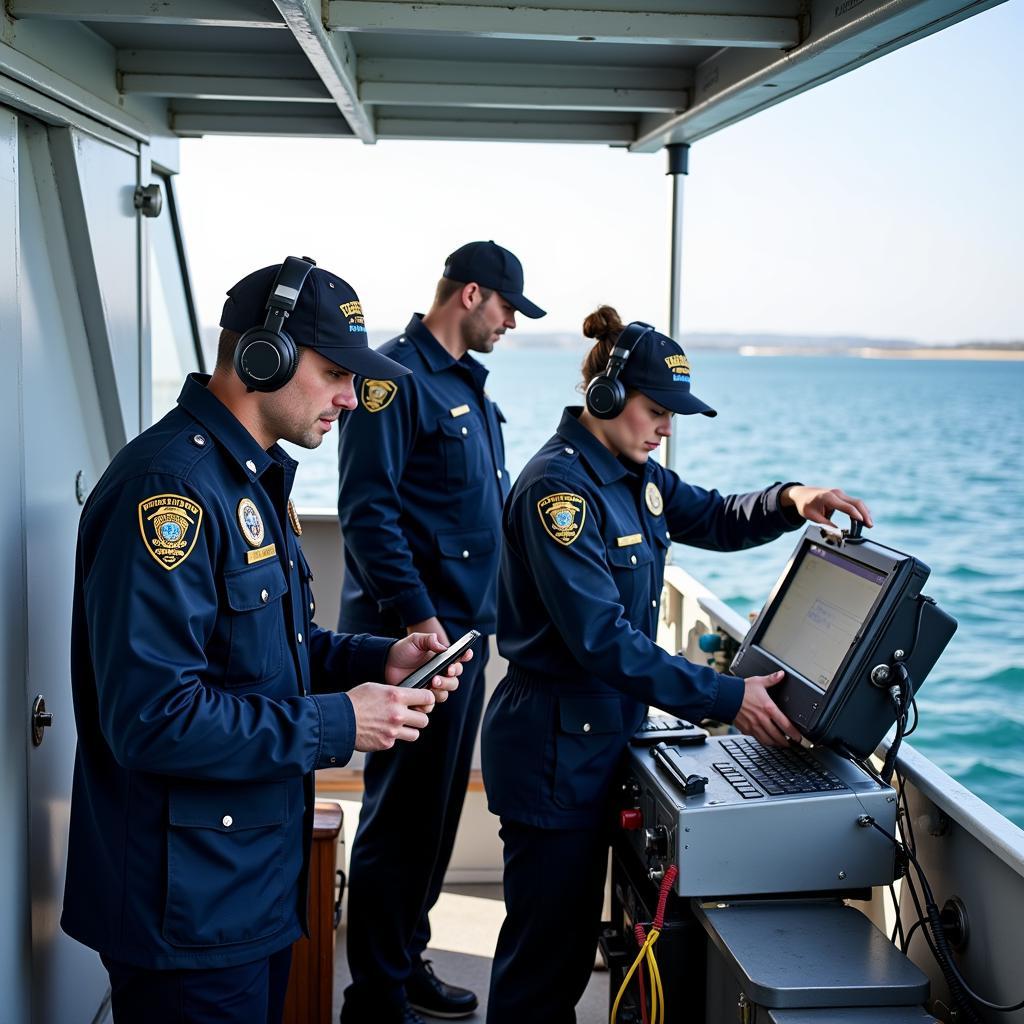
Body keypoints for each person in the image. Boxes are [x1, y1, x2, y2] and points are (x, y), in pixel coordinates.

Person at [61, 257, 471, 1024]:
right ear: (263, 356)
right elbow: (152, 716)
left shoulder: (246, 480)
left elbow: (266, 652)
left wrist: (374, 657)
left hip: (244, 887)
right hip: (187, 907)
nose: (351, 399)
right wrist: (342, 721)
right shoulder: (171, 491)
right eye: (334, 373)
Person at [480, 305, 873, 1023]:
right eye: (656, 410)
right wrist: (728, 698)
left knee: (576, 947)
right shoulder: (558, 493)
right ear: (605, 396)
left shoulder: (639, 476)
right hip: (554, 750)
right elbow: (602, 640)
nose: (666, 427)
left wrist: (794, 499)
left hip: (604, 737)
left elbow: (719, 517)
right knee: (545, 963)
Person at [337, 241, 545, 1023]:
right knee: (399, 821)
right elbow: (368, 513)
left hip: (461, 638)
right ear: (469, 295)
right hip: (414, 642)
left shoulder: (461, 384)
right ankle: (376, 996)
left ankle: (405, 959)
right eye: (508, 309)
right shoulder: (394, 379)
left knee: (434, 818)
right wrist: (422, 622)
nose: (512, 324)